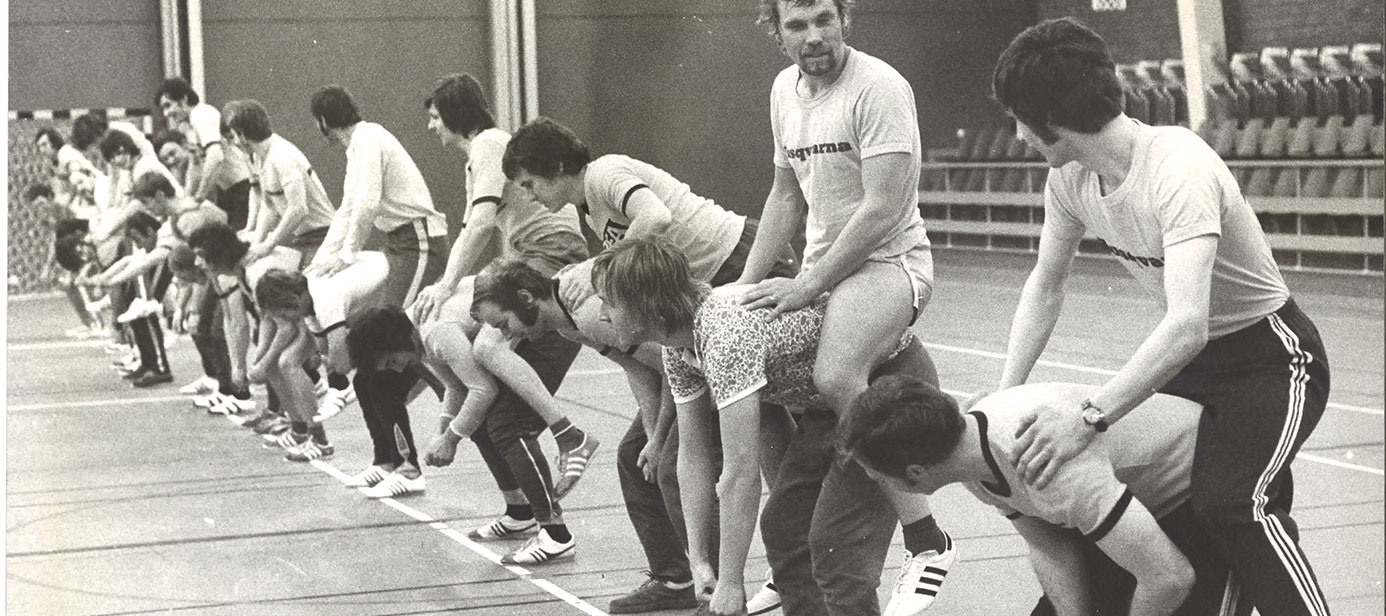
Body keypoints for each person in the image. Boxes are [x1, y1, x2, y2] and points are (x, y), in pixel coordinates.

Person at [992, 18, 1331, 616]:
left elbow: (1186, 324)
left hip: (1270, 356)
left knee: (1235, 503)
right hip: (1190, 364)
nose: (1018, 134)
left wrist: (1090, 415)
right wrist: (1004, 398)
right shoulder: (1069, 179)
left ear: (1049, 118)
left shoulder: (1178, 166)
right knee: (1152, 500)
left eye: (1020, 118)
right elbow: (1046, 284)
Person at [594, 237, 941, 616]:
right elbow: (692, 457)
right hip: (829, 406)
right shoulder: (679, 348)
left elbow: (740, 472)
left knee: (836, 544)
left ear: (646, 305)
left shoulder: (725, 336)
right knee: (785, 524)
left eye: (609, 302)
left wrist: (731, 582)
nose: (602, 314)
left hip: (884, 387)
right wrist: (700, 561)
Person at [737, 4, 952, 613]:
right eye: (798, 25)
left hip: (891, 263)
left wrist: (807, 285)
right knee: (759, 356)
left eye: (824, 19)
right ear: (777, 32)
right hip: (830, 271)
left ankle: (926, 536)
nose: (814, 36)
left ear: (844, 19)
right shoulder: (783, 91)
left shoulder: (879, 86)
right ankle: (800, 548)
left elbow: (883, 208)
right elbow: (785, 195)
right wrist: (744, 287)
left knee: (834, 374)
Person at [840, 377, 1234, 615]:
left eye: (874, 473)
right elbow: (1051, 548)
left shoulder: (1043, 463)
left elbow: (1169, 578)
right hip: (1129, 507)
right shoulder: (964, 451)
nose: (874, 479)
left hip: (1207, 491)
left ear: (915, 473)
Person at [467, 258, 701, 611]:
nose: (508, 335)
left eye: (504, 323)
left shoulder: (588, 314)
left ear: (526, 298)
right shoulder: (567, 327)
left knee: (670, 470)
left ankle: (713, 584)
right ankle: (675, 579)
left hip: (701, 367)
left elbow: (675, 363)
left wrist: (658, 441)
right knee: (634, 458)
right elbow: (640, 370)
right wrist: (653, 433)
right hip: (682, 371)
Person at [222, 99, 335, 267]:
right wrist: (257, 243)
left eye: (233, 136)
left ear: (243, 134)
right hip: (304, 238)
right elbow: (269, 206)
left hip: (323, 237)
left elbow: (299, 210)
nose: (234, 143)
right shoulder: (260, 157)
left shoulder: (281, 156)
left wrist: (268, 245)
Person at [156, 77, 254, 230]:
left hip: (243, 187)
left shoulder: (201, 114)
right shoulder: (188, 126)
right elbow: (195, 165)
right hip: (228, 191)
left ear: (183, 99)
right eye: (163, 108)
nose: (166, 113)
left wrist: (198, 199)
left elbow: (216, 156)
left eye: (168, 105)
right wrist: (186, 200)